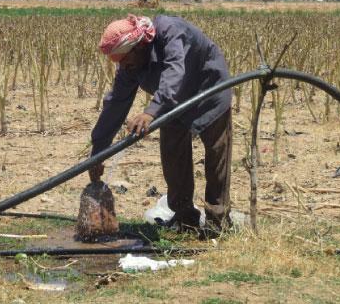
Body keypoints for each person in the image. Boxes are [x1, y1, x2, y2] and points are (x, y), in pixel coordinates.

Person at [89, 14, 233, 239]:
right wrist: (98, 152)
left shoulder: (171, 32)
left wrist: (151, 112)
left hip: (208, 91)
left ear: (138, 48)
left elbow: (175, 72)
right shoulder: (130, 66)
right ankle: (185, 218)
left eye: (125, 61)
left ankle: (217, 223)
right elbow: (115, 105)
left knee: (216, 156)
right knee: (173, 155)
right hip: (171, 102)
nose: (123, 67)